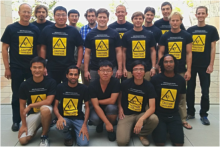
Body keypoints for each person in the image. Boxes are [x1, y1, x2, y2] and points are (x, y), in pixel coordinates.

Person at [0, 3, 40, 132]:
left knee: (33, 94)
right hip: (16, 67)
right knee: (17, 95)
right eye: (24, 12)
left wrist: (39, 66)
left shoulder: (35, 29)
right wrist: (7, 67)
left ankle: (31, 119)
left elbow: (39, 49)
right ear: (19, 13)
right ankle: (16, 121)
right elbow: (5, 48)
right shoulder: (11, 28)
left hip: (32, 68)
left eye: (29, 12)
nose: (27, 14)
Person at [158, 12, 192, 129]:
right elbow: (161, 53)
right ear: (169, 21)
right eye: (173, 20)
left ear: (181, 21)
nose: (175, 22)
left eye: (177, 20)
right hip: (166, 71)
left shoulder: (186, 35)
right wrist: (159, 68)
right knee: (165, 94)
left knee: (181, 96)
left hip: (181, 70)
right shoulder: (165, 36)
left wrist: (189, 70)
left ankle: (183, 119)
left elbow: (188, 53)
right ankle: (164, 117)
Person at [186, 6, 220, 125]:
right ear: (195, 15)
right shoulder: (190, 30)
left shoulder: (211, 30)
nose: (200, 15)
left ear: (206, 15)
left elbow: (213, 48)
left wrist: (211, 64)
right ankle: (190, 112)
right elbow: (187, 50)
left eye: (202, 13)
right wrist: (187, 67)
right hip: (192, 65)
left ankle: (204, 114)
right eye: (198, 13)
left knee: (205, 91)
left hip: (205, 66)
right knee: (190, 90)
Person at [117, 60, 158, 147]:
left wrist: (141, 119)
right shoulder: (125, 83)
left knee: (154, 119)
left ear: (145, 72)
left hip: (141, 113)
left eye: (141, 69)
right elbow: (119, 97)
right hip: (126, 115)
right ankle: (131, 129)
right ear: (131, 72)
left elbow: (152, 108)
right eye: (135, 69)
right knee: (122, 143)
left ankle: (142, 134)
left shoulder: (149, 86)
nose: (138, 72)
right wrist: (120, 108)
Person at [39, 6, 83, 85]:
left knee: (68, 92)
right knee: (51, 91)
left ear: (67, 16)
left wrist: (78, 65)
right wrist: (43, 66)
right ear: (54, 16)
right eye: (58, 15)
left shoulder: (73, 31)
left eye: (63, 15)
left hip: (69, 67)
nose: (61, 17)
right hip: (51, 68)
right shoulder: (47, 30)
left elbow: (80, 47)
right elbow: (43, 48)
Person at [18, 56, 56, 147]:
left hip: (49, 111)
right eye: (34, 67)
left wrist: (31, 105)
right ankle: (41, 124)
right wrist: (23, 125)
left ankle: (44, 136)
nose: (37, 70)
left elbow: (48, 101)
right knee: (23, 140)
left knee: (44, 109)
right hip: (34, 113)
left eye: (40, 67)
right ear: (30, 68)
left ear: (44, 69)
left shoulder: (51, 82)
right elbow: (22, 106)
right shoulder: (24, 85)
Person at [151, 54, 185, 147]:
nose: (168, 64)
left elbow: (179, 97)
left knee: (179, 144)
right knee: (160, 143)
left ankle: (170, 128)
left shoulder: (180, 80)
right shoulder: (155, 79)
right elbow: (152, 98)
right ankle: (164, 129)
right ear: (162, 64)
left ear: (175, 63)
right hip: (159, 114)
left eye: (171, 61)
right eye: (166, 62)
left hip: (174, 114)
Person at [54, 65, 89, 147]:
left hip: (78, 118)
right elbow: (55, 106)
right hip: (65, 118)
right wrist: (59, 117)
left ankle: (75, 130)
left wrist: (84, 124)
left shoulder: (84, 88)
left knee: (83, 144)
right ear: (67, 75)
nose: (73, 77)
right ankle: (68, 137)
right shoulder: (60, 87)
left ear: (78, 76)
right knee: (59, 126)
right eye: (71, 74)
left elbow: (87, 107)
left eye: (76, 74)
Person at [84, 8, 122, 83]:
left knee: (113, 89)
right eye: (100, 17)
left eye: (104, 17)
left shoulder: (114, 33)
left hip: (111, 68)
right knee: (93, 91)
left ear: (107, 19)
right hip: (94, 68)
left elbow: (119, 52)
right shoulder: (90, 34)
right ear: (96, 19)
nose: (102, 19)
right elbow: (87, 53)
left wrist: (120, 69)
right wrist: (86, 70)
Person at [89, 60, 120, 141]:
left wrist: (96, 101)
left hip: (109, 106)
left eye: (108, 71)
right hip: (97, 108)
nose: (105, 73)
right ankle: (101, 123)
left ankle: (111, 128)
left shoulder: (116, 82)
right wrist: (107, 123)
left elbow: (112, 100)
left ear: (112, 72)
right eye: (103, 70)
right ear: (98, 72)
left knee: (112, 108)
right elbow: (95, 106)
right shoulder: (92, 85)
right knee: (94, 120)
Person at [122, 12, 156, 81]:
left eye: (140, 19)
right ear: (132, 20)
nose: (138, 20)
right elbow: (123, 52)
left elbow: (153, 51)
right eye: (136, 18)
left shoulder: (149, 34)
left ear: (143, 20)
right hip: (129, 69)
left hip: (146, 68)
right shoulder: (126, 35)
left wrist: (153, 67)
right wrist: (124, 68)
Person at [108, 4, 133, 82]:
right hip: (114, 60)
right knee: (115, 83)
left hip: (128, 58)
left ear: (126, 13)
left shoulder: (131, 27)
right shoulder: (111, 27)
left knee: (126, 83)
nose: (120, 14)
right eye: (118, 12)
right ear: (115, 14)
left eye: (122, 12)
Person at [80, 8, 97, 86]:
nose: (91, 18)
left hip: (97, 61)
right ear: (86, 17)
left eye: (93, 16)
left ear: (96, 17)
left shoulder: (101, 29)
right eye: (89, 16)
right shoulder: (82, 29)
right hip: (84, 61)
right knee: (86, 84)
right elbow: (80, 46)